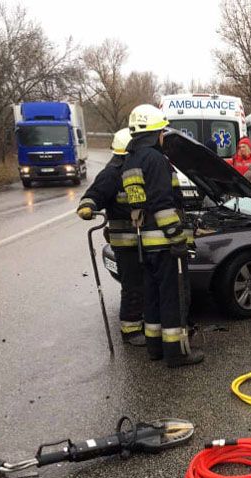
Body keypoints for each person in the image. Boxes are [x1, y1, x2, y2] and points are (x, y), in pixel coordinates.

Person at [122, 103, 203, 367]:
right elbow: (161, 202)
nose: (162, 137)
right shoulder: (155, 159)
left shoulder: (130, 160)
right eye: (161, 132)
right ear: (155, 133)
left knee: (153, 298)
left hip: (145, 243)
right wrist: (177, 236)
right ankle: (177, 353)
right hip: (165, 243)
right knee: (173, 298)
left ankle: (155, 348)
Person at [77, 128, 145, 347]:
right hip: (125, 242)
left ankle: (142, 321)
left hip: (141, 240)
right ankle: (131, 329)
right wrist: (88, 206)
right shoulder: (112, 173)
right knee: (132, 285)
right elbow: (94, 194)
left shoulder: (135, 168)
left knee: (143, 284)